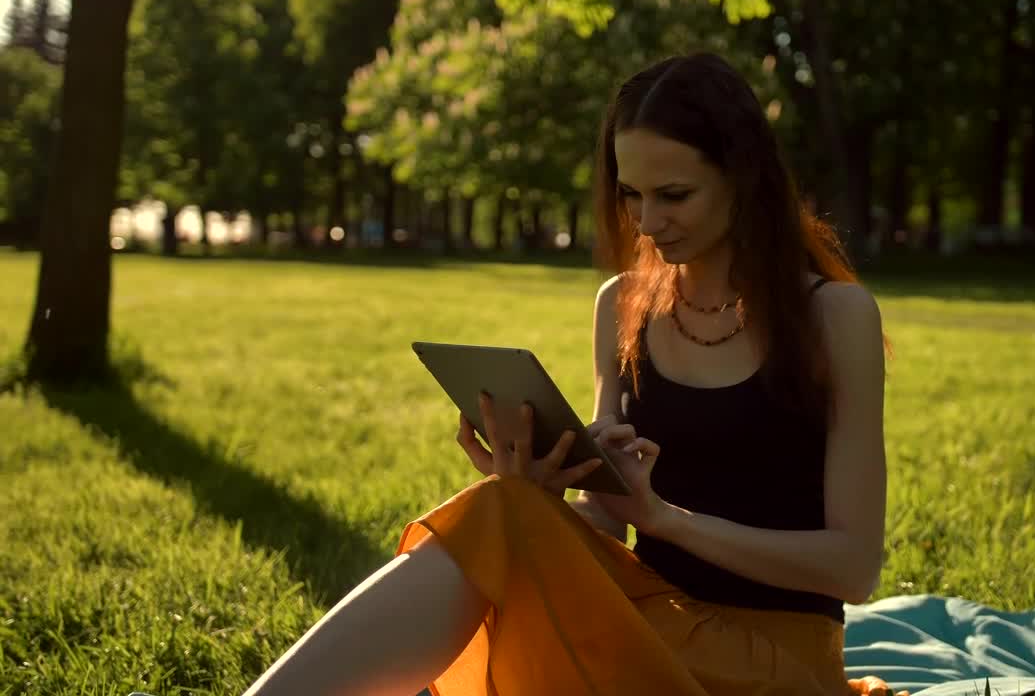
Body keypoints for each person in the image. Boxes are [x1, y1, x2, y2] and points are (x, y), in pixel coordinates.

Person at [242, 52, 896, 696]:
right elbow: (610, 520)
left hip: (776, 663)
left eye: (674, 195)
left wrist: (666, 519)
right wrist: (541, 487)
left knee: (501, 535)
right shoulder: (621, 304)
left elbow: (853, 567)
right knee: (504, 505)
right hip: (652, 619)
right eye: (631, 193)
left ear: (744, 178)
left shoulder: (833, 317)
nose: (646, 220)